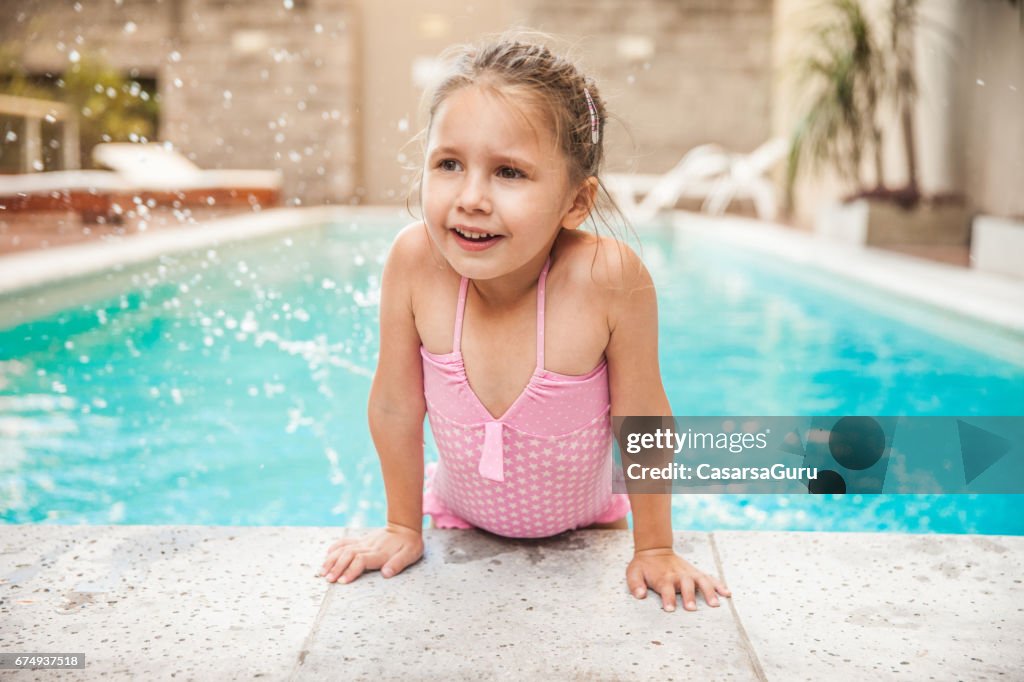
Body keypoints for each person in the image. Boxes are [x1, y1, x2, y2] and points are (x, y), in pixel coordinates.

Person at [320, 37, 731, 612]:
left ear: (576, 201)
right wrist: (402, 525)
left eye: (508, 172)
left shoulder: (606, 279)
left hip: (593, 527)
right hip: (457, 520)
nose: (470, 198)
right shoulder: (414, 262)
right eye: (449, 164)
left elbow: (642, 418)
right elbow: (394, 404)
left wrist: (656, 545)